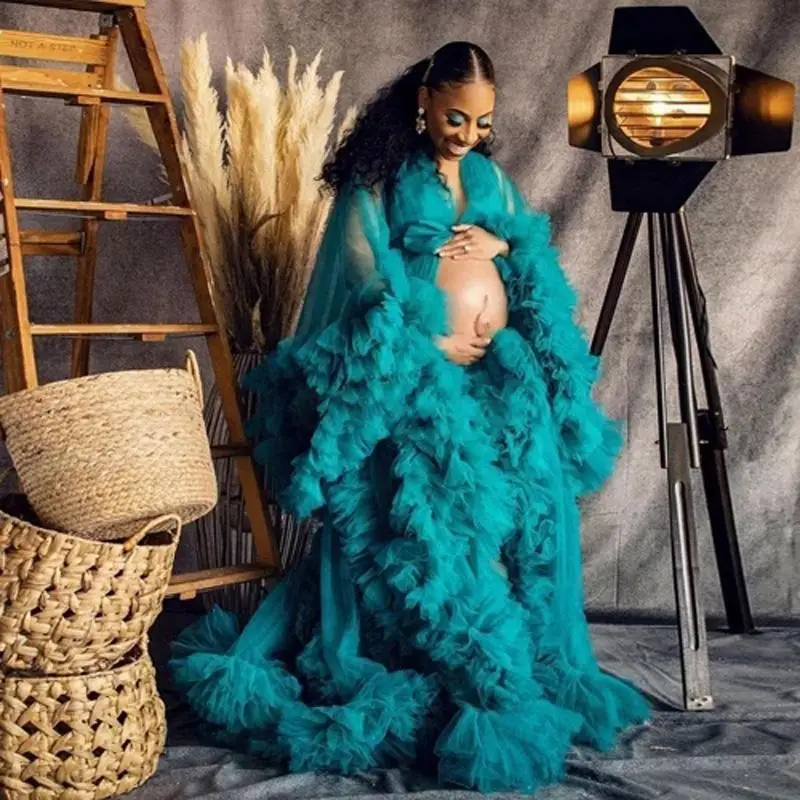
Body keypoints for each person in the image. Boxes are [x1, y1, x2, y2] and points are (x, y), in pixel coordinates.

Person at [171, 40, 651, 794]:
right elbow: (358, 269)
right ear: (424, 99)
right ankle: (449, 660)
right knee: (432, 519)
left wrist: (504, 240)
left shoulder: (489, 176)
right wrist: (426, 336)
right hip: (413, 379)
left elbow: (528, 251)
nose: (466, 134)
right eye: (455, 116)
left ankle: (530, 650)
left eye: (481, 123)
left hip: (493, 375)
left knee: (535, 502)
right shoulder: (379, 179)